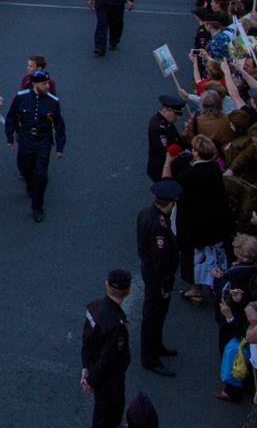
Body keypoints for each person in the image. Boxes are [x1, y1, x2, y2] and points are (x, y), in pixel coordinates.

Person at [3, 71, 65, 223]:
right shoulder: (21, 97)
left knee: (42, 175)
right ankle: (30, 183)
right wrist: (10, 137)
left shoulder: (53, 101)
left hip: (43, 140)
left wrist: (59, 147)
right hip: (26, 138)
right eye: (44, 84)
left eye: (47, 83)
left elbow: (59, 125)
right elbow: (11, 117)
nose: (48, 86)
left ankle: (37, 206)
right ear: (35, 84)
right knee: (24, 168)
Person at [137, 181, 181, 378]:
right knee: (153, 315)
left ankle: (156, 344)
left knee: (158, 313)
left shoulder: (146, 213)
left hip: (151, 271)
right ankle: (149, 357)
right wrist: (165, 282)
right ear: (170, 204)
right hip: (157, 277)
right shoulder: (159, 225)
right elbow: (161, 258)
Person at [80, 270, 132, 428]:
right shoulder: (117, 325)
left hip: (93, 366)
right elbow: (109, 360)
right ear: (128, 291)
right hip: (109, 380)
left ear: (106, 285)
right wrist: (91, 381)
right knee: (108, 418)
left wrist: (86, 367)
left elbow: (86, 340)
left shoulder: (93, 307)